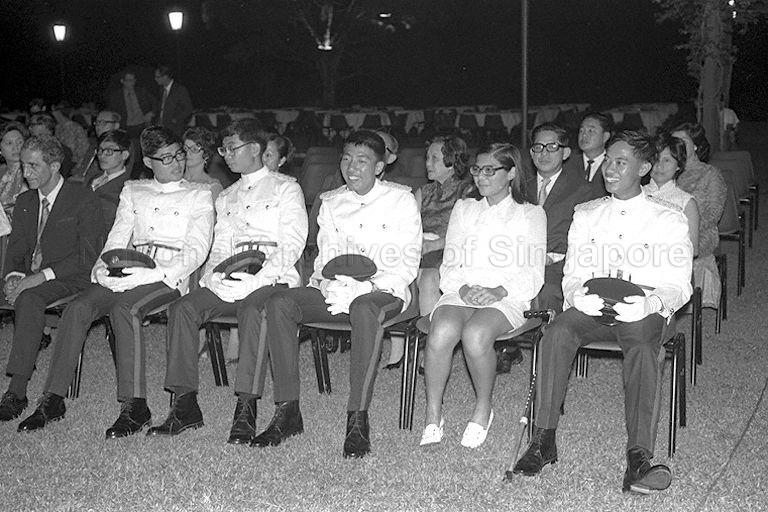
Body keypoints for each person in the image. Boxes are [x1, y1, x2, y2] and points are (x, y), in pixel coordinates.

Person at [512, 131, 693, 495]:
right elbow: (573, 272)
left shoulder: (669, 218)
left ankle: (639, 457)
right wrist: (577, 295)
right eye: (608, 160)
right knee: (556, 332)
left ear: (644, 168)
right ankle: (543, 439)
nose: (609, 169)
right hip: (594, 304)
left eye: (620, 162)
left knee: (643, 346)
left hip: (643, 305)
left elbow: (679, 282)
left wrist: (653, 303)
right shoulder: (588, 213)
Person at [16, 126, 214, 438]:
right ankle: (53, 398)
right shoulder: (134, 190)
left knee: (126, 309)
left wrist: (154, 273)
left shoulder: (199, 194)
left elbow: (197, 249)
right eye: (166, 158)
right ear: (148, 162)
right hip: (129, 267)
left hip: (168, 274)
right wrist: (102, 267)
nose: (176, 162)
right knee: (78, 308)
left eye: (178, 155)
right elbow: (118, 236)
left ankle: (135, 405)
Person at [255, 130, 421, 458]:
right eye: (346, 158)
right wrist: (332, 285)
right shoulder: (331, 202)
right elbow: (325, 260)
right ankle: (288, 411)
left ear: (379, 166)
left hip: (386, 288)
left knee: (363, 309)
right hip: (338, 286)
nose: (352, 167)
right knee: (280, 302)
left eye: (362, 160)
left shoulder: (400, 199)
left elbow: (407, 261)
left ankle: (357, 420)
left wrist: (368, 287)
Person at [146, 119, 307, 441]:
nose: (225, 155)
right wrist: (212, 278)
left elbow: (292, 243)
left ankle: (246, 407)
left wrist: (258, 279)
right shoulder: (227, 195)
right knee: (184, 308)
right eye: (223, 149)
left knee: (252, 309)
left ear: (255, 149)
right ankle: (185, 405)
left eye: (231, 148)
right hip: (231, 276)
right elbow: (219, 247)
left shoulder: (285, 187)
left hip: (273, 276)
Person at [420, 143, 545, 448]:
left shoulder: (530, 213)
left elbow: (532, 270)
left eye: (491, 170)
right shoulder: (465, 208)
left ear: (511, 173)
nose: (481, 176)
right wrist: (462, 288)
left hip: (508, 294)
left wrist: (497, 291)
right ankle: (433, 414)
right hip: (461, 288)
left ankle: (483, 407)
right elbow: (450, 261)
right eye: (478, 169)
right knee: (441, 331)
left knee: (475, 335)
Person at [0, 135, 105, 422]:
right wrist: (13, 275)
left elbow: (88, 254)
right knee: (25, 292)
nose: (26, 173)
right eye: (23, 165)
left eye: (34, 166)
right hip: (34, 276)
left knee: (30, 296)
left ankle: (17, 390)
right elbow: (18, 248)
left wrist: (39, 277)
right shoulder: (25, 201)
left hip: (73, 275)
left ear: (56, 165)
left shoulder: (83, 197)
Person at [384, 135, 475, 369]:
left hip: (450, 250)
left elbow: (468, 234)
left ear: (452, 161)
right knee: (396, 276)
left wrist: (435, 245)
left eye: (434, 158)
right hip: (418, 248)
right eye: (427, 158)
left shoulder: (469, 191)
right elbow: (406, 227)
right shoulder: (423, 192)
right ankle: (398, 351)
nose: (427, 163)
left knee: (428, 278)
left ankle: (430, 348)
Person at [525, 123, 605, 313]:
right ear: (531, 152)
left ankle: (547, 339)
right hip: (519, 260)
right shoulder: (519, 189)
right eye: (538, 147)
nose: (543, 154)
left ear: (566, 153)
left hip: (558, 264)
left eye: (552, 147)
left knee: (547, 290)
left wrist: (553, 257)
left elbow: (589, 239)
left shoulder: (583, 190)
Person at [671, 123, 726, 308]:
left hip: (700, 234)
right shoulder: (664, 172)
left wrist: (682, 233)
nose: (676, 146)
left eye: (682, 142)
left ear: (695, 145)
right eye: (673, 142)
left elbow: (712, 215)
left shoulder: (710, 174)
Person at [643, 133, 700, 254]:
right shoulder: (637, 194)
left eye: (667, 160)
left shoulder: (686, 202)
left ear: (678, 166)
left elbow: (693, 249)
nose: (659, 165)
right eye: (656, 159)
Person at [88, 129, 133, 232]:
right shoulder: (92, 178)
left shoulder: (127, 188)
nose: (102, 156)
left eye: (109, 151)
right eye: (100, 150)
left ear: (124, 155)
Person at [71, 110, 123, 182]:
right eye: (97, 122)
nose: (98, 126)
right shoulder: (94, 144)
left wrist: (85, 180)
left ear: (116, 126)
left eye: (103, 123)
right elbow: (82, 167)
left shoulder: (123, 145)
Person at [568, 112, 612, 194]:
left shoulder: (612, 164)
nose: (584, 135)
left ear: (605, 137)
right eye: (581, 131)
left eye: (591, 131)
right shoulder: (567, 162)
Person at [108, 69, 157, 139]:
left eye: (133, 80)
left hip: (142, 126)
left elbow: (155, 102)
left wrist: (152, 113)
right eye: (129, 80)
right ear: (122, 81)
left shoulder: (142, 92)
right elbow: (112, 112)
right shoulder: (116, 96)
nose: (132, 83)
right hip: (125, 128)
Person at [27, 113, 75, 178]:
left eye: (33, 125)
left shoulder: (62, 151)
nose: (29, 128)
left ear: (45, 126)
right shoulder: (29, 148)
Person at [182, 126, 224, 200]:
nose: (188, 153)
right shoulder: (174, 179)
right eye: (185, 148)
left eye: (194, 149)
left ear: (206, 154)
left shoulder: (212, 186)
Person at [154, 65, 193, 138]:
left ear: (165, 77)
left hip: (175, 129)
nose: (155, 79)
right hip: (162, 128)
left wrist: (176, 120)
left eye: (158, 77)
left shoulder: (180, 90)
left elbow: (188, 109)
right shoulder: (161, 90)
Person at [0, 121, 29, 216]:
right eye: (9, 143)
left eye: (19, 142)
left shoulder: (33, 172)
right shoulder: (2, 172)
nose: (16, 147)